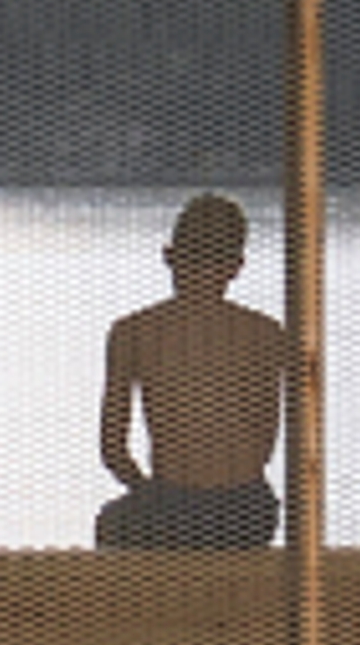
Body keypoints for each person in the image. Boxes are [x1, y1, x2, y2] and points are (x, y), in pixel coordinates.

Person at [95, 193, 288, 548]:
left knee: (111, 522)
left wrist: (147, 491)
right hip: (246, 510)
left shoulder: (133, 332)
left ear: (168, 256)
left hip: (172, 508)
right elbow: (267, 440)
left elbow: (112, 449)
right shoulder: (267, 334)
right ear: (237, 266)